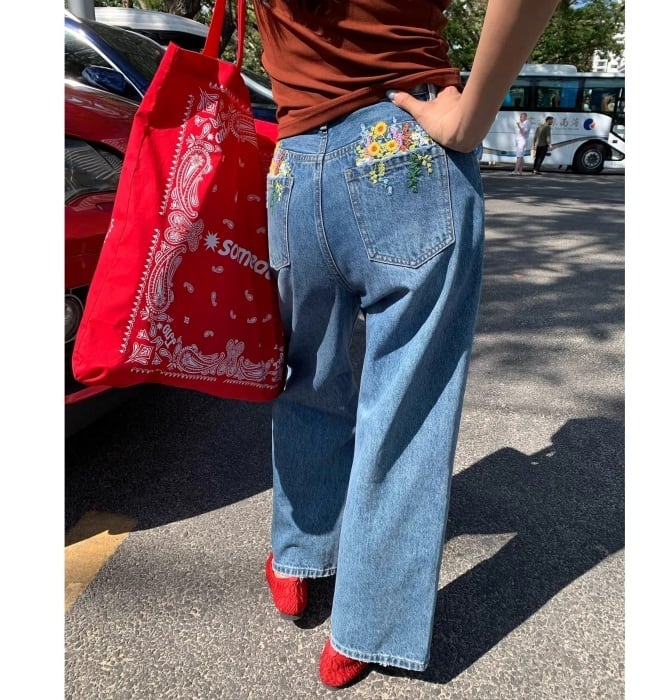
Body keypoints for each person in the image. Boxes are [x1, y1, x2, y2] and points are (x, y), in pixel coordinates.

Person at [253, 0, 559, 689]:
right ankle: (367, 624)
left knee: (307, 377)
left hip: (294, 163)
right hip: (406, 139)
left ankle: (299, 559)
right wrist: (470, 117)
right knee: (405, 406)